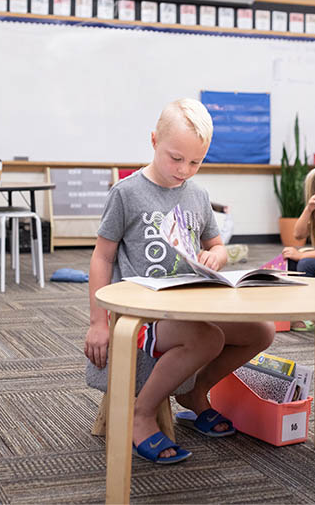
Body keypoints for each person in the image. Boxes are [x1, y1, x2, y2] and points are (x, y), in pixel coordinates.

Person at [83, 98, 275, 464]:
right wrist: (97, 322)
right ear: (154, 141)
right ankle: (141, 414)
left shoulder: (198, 195)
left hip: (190, 305)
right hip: (143, 315)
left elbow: (216, 246)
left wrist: (214, 256)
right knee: (207, 337)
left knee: (261, 331)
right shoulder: (126, 192)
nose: (184, 169)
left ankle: (196, 392)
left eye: (195, 161)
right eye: (176, 158)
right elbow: (101, 256)